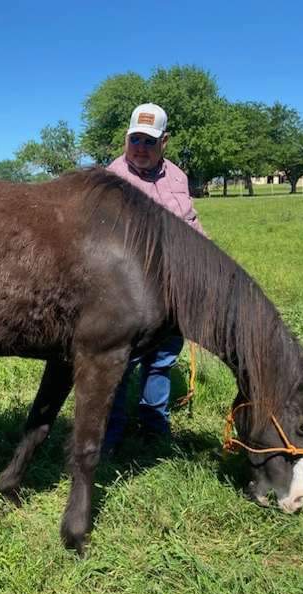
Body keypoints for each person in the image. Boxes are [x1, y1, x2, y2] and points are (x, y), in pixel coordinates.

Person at [103, 103, 206, 452]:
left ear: (165, 141)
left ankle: (154, 427)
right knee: (120, 364)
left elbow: (191, 223)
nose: (141, 148)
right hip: (128, 294)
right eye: (135, 140)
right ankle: (110, 437)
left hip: (174, 290)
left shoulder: (177, 176)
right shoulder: (112, 181)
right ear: (126, 138)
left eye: (149, 141)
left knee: (162, 360)